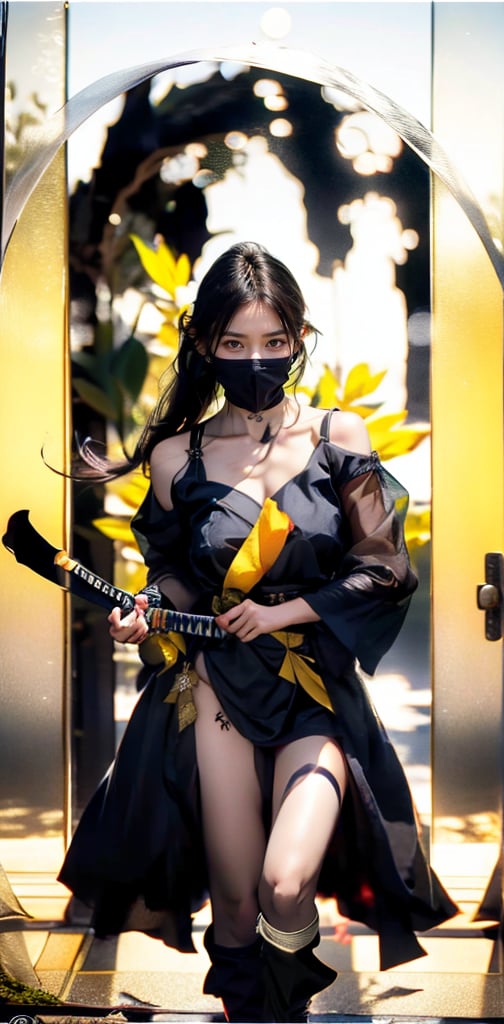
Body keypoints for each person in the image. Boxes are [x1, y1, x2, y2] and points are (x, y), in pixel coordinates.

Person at [59, 241, 457, 1023]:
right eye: (235, 344)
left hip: (312, 687)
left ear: (299, 340)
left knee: (285, 884)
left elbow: (385, 568)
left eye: (274, 342)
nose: (256, 360)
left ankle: (289, 1006)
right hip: (215, 687)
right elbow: (173, 572)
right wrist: (146, 609)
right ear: (205, 345)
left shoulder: (338, 437)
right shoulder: (178, 456)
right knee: (238, 906)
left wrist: (283, 611)